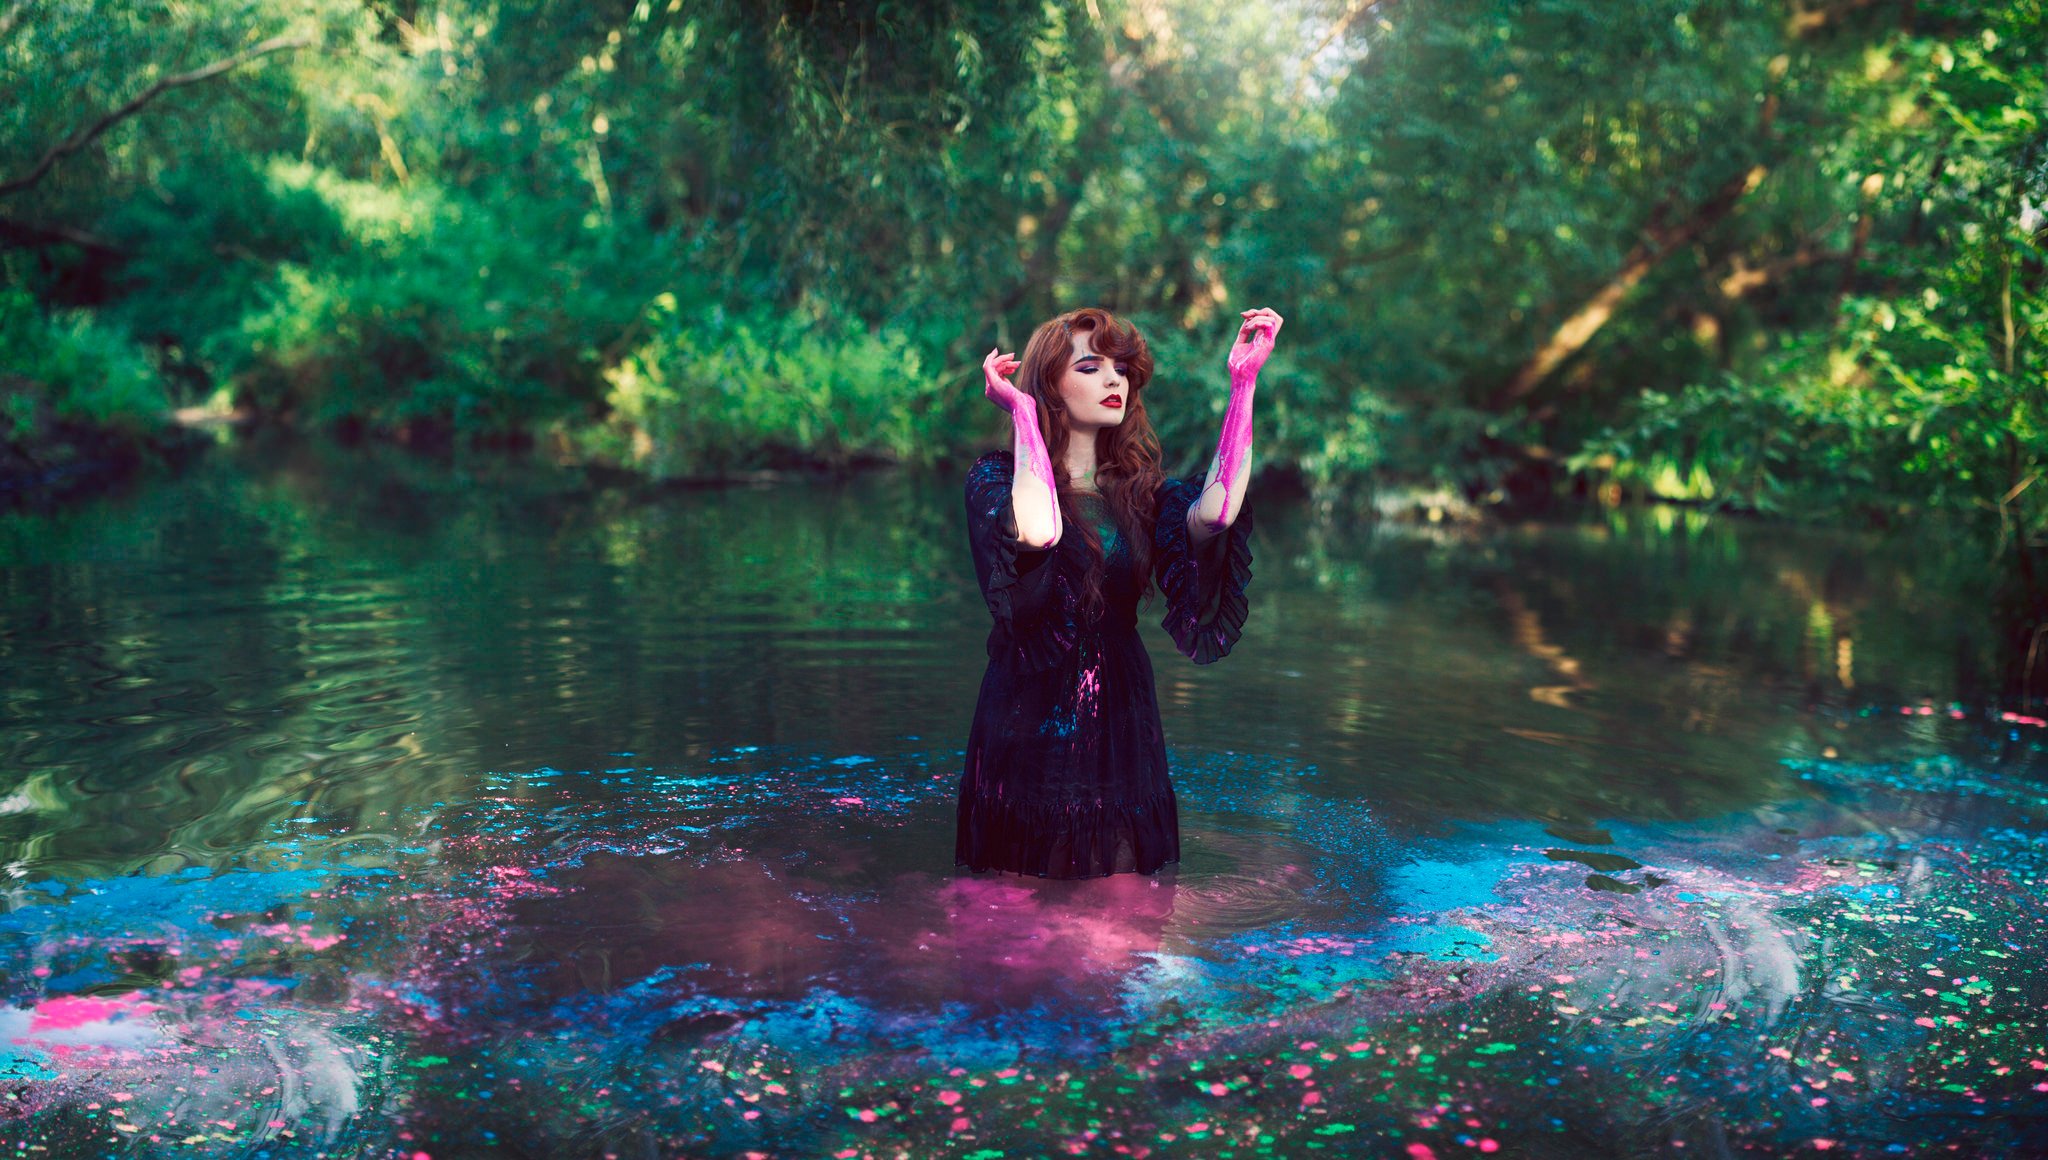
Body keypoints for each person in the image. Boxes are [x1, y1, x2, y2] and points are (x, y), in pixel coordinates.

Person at [956, 304, 1282, 879]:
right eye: (1089, 368)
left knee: (1125, 901)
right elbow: (1039, 529)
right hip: (1028, 712)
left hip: (1120, 711)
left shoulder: (1144, 494)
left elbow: (1220, 511)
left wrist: (1243, 383)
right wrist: (1024, 415)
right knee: (1014, 904)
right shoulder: (995, 479)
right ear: (1048, 386)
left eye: (1121, 369)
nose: (1114, 380)